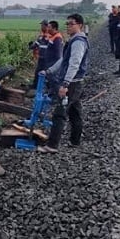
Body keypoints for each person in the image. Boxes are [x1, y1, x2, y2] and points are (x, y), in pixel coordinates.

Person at [37, 13, 90, 154]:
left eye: (71, 24)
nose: (68, 26)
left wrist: (65, 84)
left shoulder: (78, 41)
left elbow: (74, 64)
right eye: (67, 24)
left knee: (60, 113)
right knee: (75, 112)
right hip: (76, 83)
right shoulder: (73, 40)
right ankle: (75, 141)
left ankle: (52, 145)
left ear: (80, 25)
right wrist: (49, 71)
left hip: (72, 83)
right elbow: (63, 61)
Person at [28, 19, 51, 89]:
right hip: (41, 58)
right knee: (38, 72)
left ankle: (44, 88)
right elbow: (36, 44)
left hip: (47, 59)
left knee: (45, 74)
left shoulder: (50, 36)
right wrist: (31, 46)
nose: (41, 27)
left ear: (46, 26)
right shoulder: (42, 36)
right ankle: (35, 86)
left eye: (42, 25)